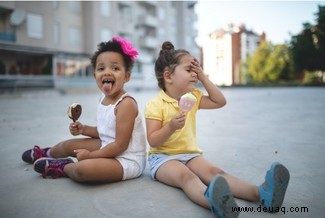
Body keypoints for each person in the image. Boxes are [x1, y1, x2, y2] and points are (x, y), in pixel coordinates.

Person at [144, 41, 290, 218]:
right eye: (189, 70)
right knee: (187, 177)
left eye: (196, 70)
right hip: (163, 158)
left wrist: (204, 78)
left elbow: (219, 101)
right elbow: (153, 140)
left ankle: (262, 193)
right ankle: (216, 202)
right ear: (168, 76)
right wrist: (171, 127)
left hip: (189, 154)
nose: (194, 75)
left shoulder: (194, 97)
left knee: (215, 173)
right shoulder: (155, 104)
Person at [22, 36, 146, 183]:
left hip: (127, 159)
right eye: (101, 68)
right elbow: (105, 131)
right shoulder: (104, 98)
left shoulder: (126, 104)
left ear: (127, 76)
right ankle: (47, 153)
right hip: (107, 146)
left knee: (84, 170)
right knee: (69, 145)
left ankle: (64, 167)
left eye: (115, 68)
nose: (107, 72)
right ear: (95, 76)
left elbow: (120, 145)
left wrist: (90, 156)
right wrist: (84, 129)